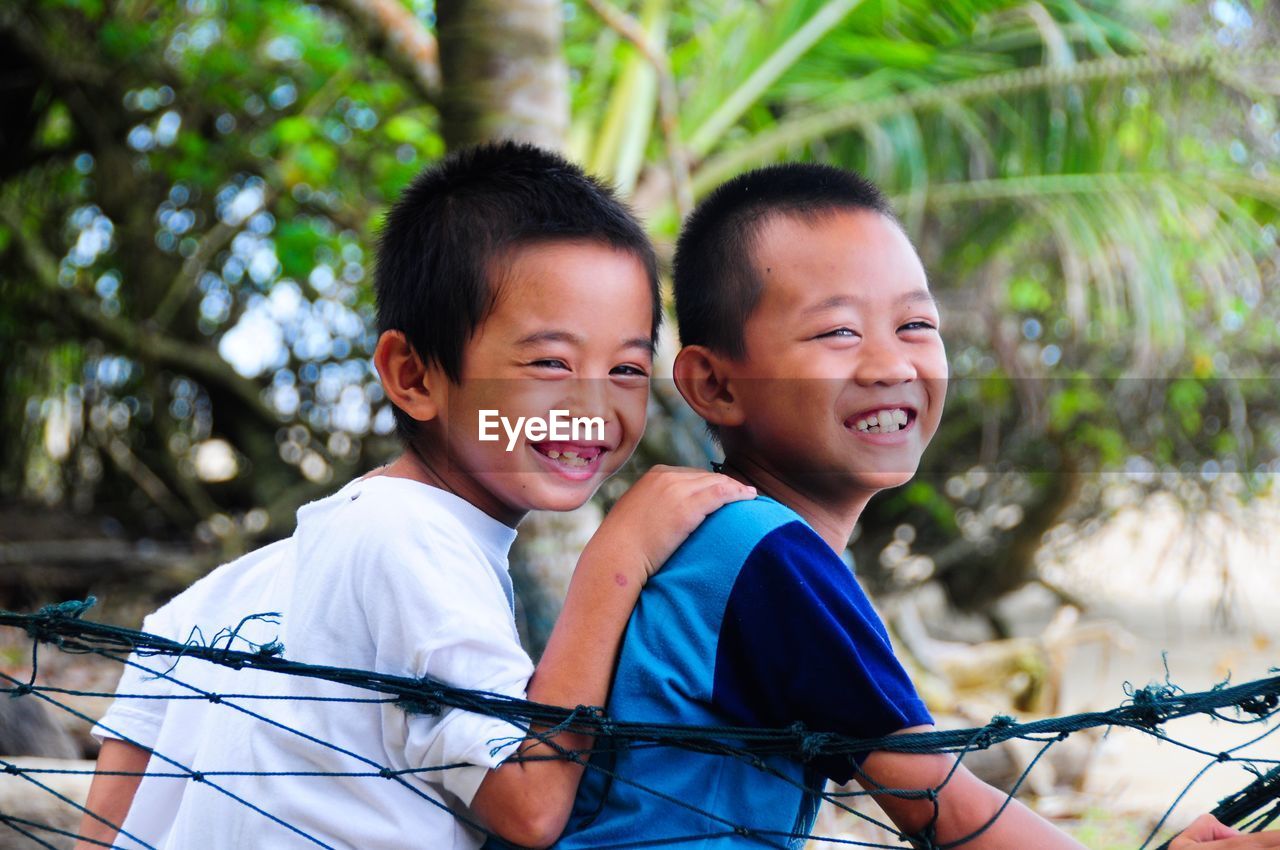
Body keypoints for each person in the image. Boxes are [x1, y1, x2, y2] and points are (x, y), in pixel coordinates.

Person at [550, 163, 1279, 849]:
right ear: (714, 385)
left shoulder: (722, 542)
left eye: (915, 326)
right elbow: (941, 807)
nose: (891, 364)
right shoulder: (767, 555)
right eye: (839, 331)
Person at [74, 142, 754, 850]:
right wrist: (620, 554)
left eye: (625, 368)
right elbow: (528, 805)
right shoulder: (415, 542)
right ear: (414, 375)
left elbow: (105, 824)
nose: (591, 404)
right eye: (549, 361)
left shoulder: (234, 584)